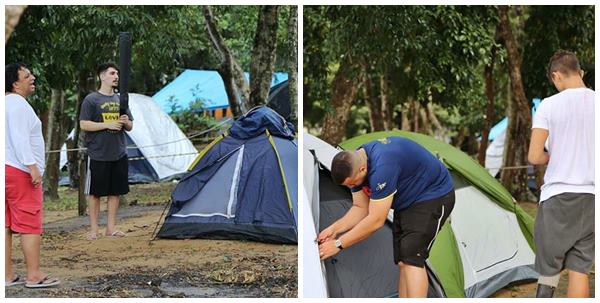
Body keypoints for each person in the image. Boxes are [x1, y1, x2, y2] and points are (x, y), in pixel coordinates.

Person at [318, 136, 455, 298]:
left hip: (434, 195)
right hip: (407, 203)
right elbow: (360, 208)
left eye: (353, 184)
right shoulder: (356, 165)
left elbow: (376, 220)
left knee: (412, 258)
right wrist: (334, 229)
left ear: (362, 169)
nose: (352, 187)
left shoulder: (382, 167)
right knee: (403, 261)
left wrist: (339, 244)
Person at [528, 50, 594, 298]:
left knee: (549, 270)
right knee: (580, 270)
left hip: (558, 198)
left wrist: (552, 155)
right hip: (592, 197)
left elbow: (534, 156)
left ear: (556, 75)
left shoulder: (549, 105)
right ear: (581, 72)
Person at [5, 63, 61, 288]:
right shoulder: (18, 105)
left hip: (5, 169)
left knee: (6, 224)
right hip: (19, 172)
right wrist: (32, 166)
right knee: (29, 223)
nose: (32, 77)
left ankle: (6, 275)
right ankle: (34, 275)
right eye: (27, 76)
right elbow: (20, 139)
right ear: (15, 84)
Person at [79, 62, 133, 240]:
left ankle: (111, 228)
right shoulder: (91, 99)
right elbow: (84, 124)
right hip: (98, 153)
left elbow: (130, 126)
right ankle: (94, 230)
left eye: (117, 73)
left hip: (118, 152)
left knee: (114, 192)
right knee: (95, 193)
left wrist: (125, 122)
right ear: (102, 76)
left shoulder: (120, 99)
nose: (116, 76)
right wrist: (107, 125)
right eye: (112, 73)